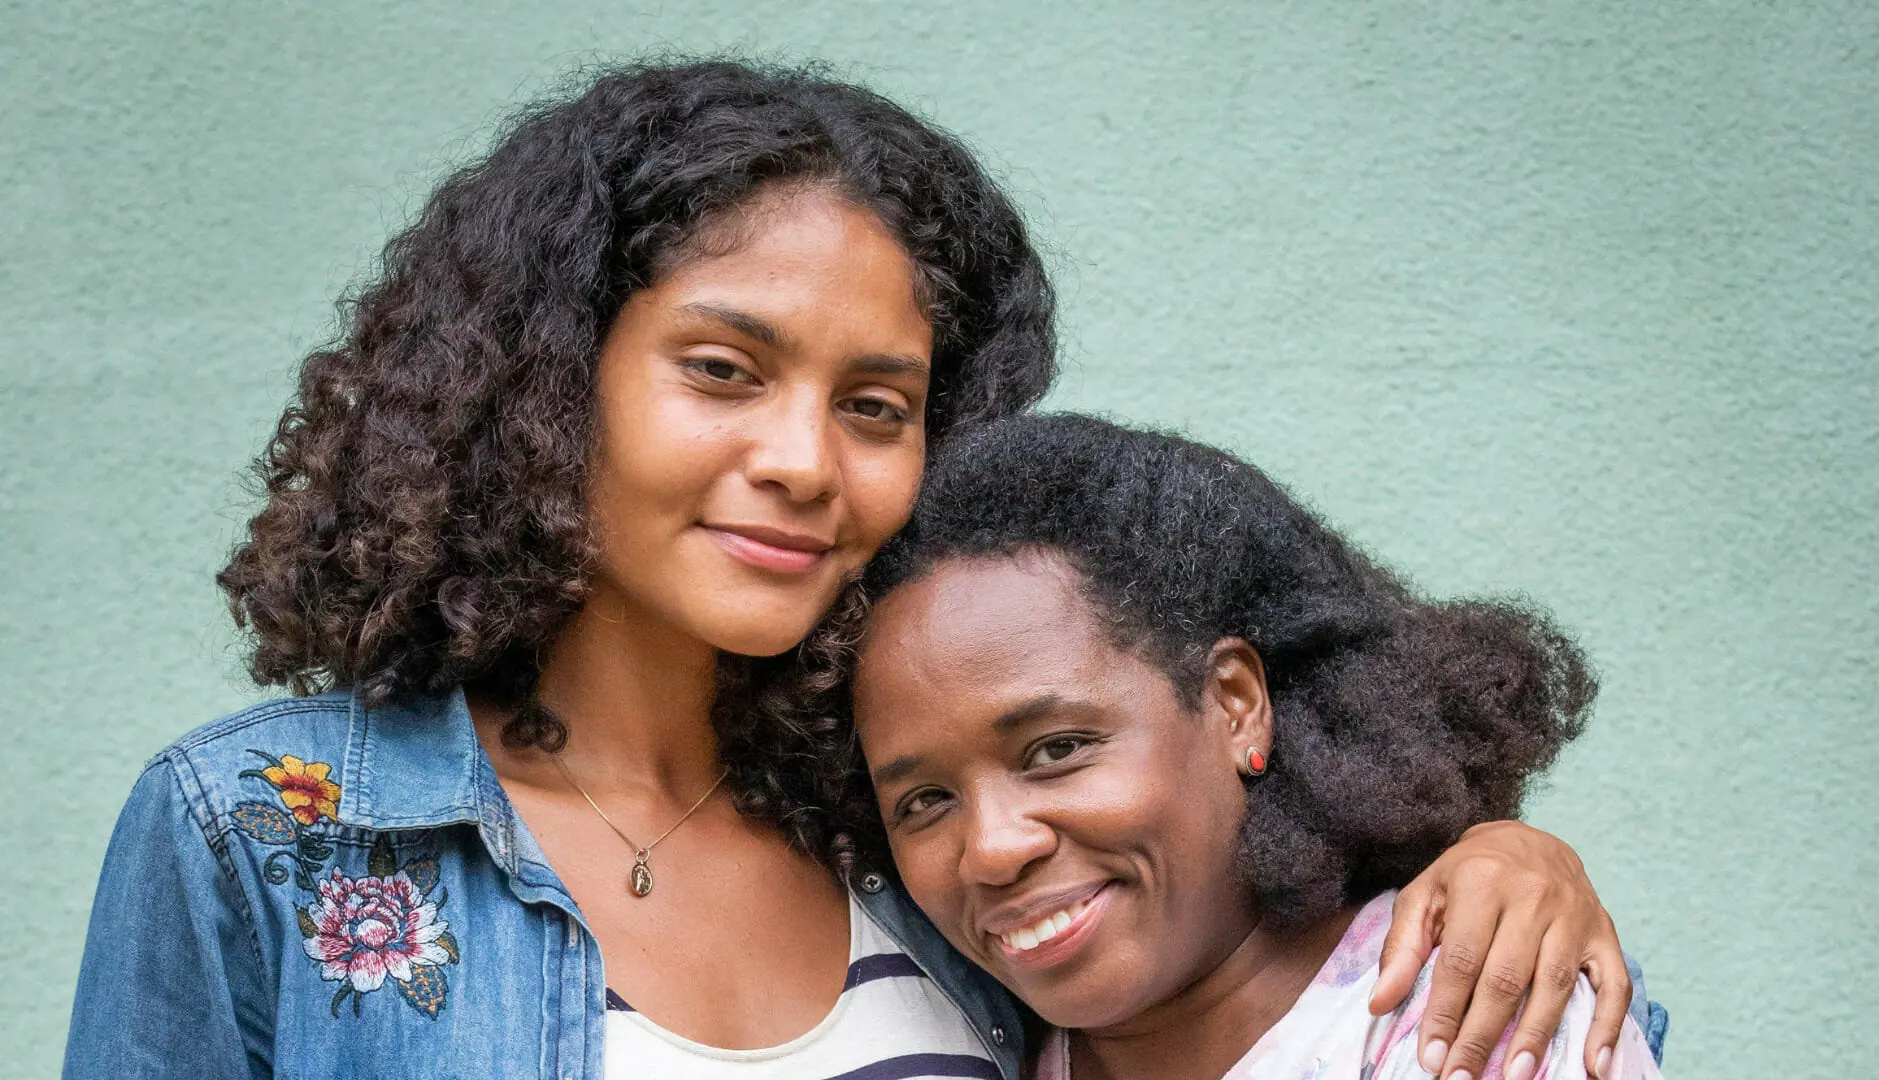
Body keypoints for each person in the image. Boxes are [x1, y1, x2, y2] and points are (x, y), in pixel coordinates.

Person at [66, 60, 1651, 1080]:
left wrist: (1495, 859)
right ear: (552, 385)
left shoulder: (924, 835)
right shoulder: (265, 835)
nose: (810, 461)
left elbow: (1281, 985)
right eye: (724, 370)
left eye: (876, 405)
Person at [844, 414, 1668, 1080]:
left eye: (1056, 749)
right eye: (923, 801)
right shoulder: (970, 1042)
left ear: (1236, 705)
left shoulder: (1463, 1025)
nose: (992, 850)